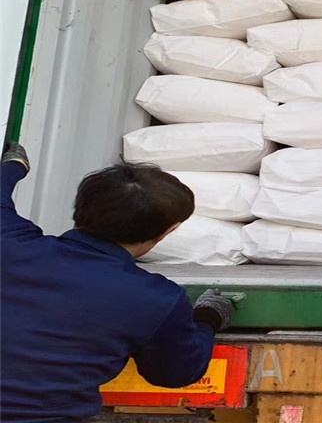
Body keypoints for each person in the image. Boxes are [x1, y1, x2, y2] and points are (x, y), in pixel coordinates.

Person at [1, 143, 234, 423]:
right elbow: (175, 373)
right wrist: (207, 319)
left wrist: (13, 166)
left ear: (80, 206)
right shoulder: (154, 299)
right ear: (166, 233)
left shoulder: (11, 244)